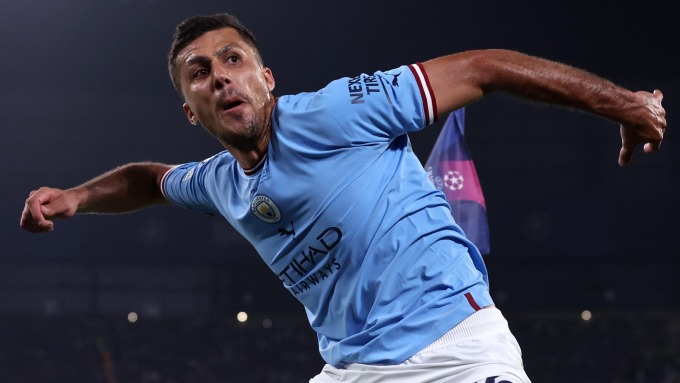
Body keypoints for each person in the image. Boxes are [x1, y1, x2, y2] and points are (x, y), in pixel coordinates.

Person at [20, 13, 666, 383]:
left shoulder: (333, 113)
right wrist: (75, 197)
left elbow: (482, 68)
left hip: (455, 355)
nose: (220, 76)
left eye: (233, 59)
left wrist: (625, 105)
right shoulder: (219, 180)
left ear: (266, 80)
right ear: (191, 109)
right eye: (200, 73)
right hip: (353, 371)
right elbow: (149, 179)